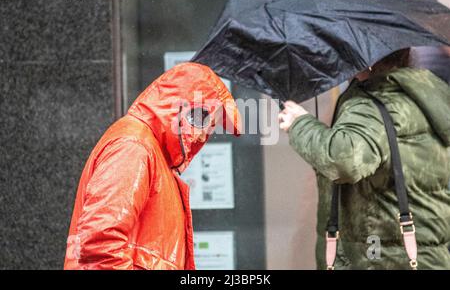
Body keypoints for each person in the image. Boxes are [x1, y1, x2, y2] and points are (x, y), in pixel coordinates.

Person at [279, 49, 450, 269]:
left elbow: (343, 160)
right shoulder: (420, 94)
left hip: (382, 258)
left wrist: (299, 124)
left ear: (365, 58)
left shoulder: (375, 104)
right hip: (423, 255)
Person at [64, 62, 241, 270]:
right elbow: (101, 243)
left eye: (211, 128)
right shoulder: (134, 146)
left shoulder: (151, 153)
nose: (204, 135)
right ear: (183, 109)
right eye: (204, 120)